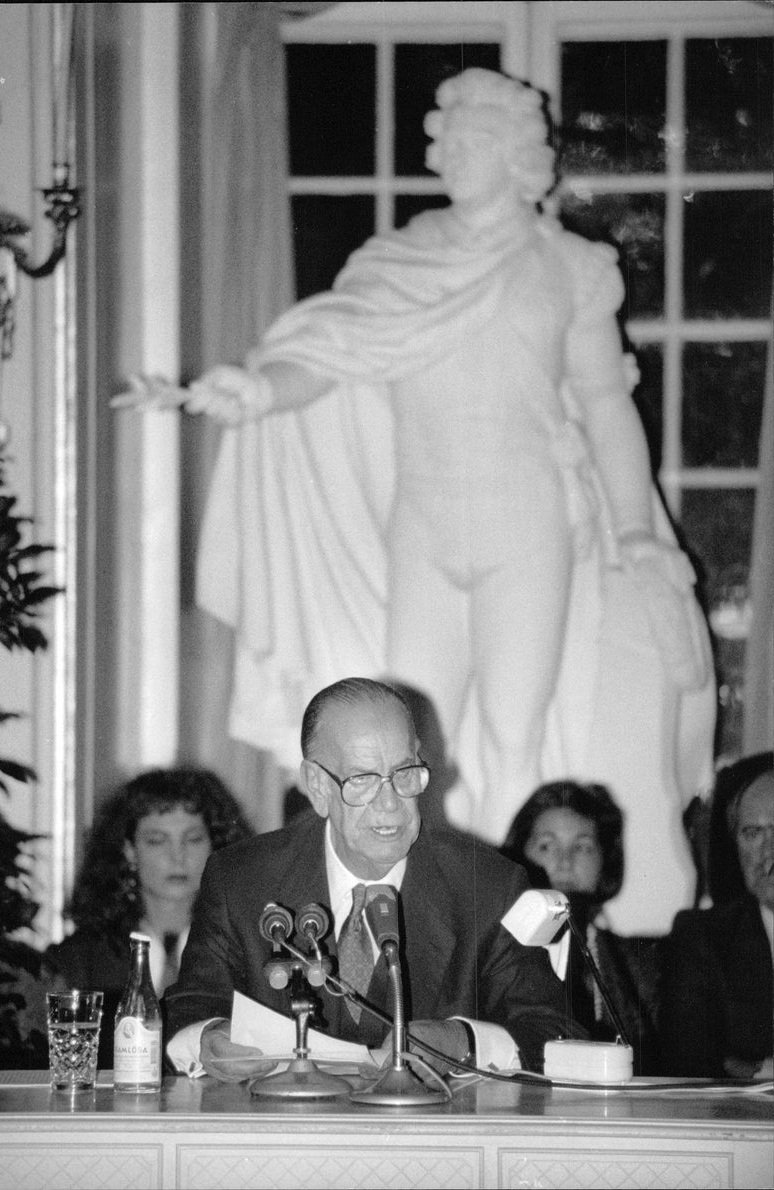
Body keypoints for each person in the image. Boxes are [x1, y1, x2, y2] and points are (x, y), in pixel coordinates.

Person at [116, 69, 713, 931]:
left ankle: (505, 930)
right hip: (422, 531)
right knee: (408, 749)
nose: (449, 156)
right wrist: (256, 391)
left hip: (527, 525)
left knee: (513, 733)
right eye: (447, 141)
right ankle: (419, 919)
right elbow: (326, 358)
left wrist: (633, 529)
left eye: (472, 142)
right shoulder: (400, 263)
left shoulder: (568, 268)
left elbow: (606, 404)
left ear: (518, 157)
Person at [165, 678, 584, 1081]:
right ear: (317, 786)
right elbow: (187, 1011)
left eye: (404, 773)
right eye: (362, 780)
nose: (390, 804)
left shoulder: (489, 887)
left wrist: (462, 1042)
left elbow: (556, 1033)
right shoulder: (241, 879)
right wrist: (209, 1038)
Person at [43, 767, 250, 1068]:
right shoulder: (77, 961)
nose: (177, 856)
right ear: (128, 850)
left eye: (192, 839)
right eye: (156, 840)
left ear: (215, 846)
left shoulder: (246, 953)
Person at [504, 781, 662, 1074]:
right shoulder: (494, 954)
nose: (565, 862)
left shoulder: (639, 965)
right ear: (519, 855)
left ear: (604, 861)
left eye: (583, 846)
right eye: (546, 846)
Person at [659, 761, 774, 1079]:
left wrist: (748, 1067)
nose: (769, 851)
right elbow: (690, 1066)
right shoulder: (703, 937)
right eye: (752, 833)